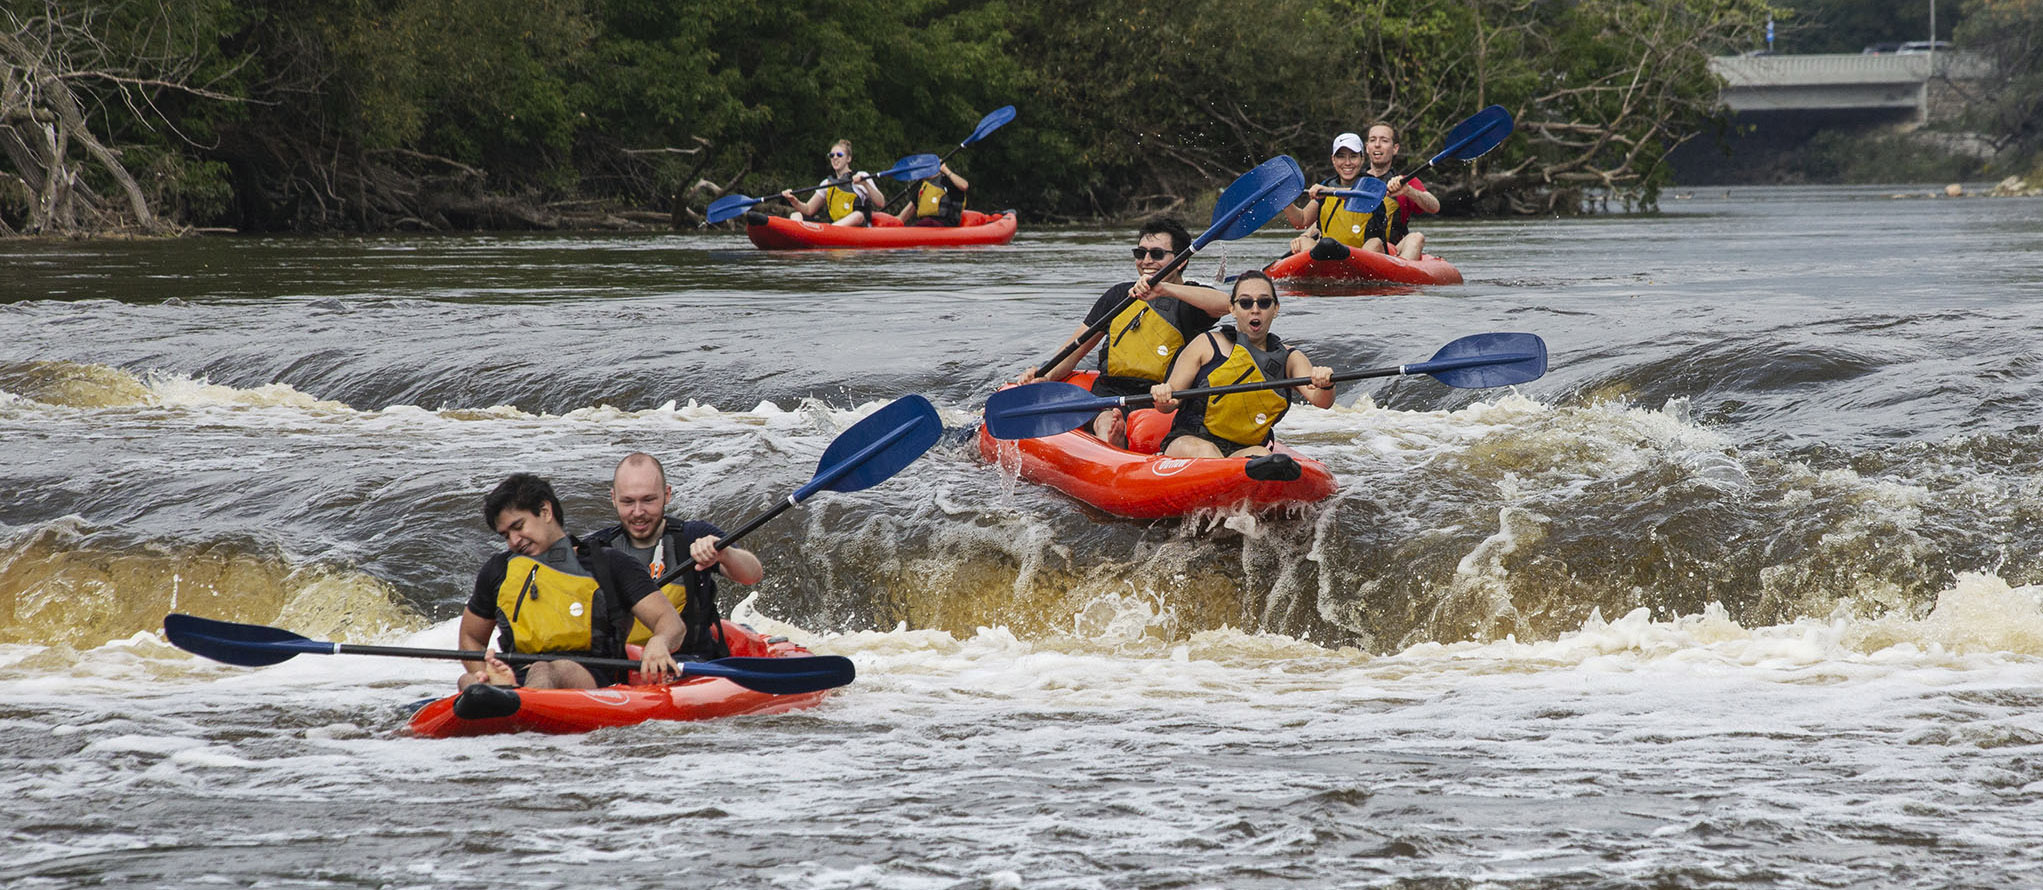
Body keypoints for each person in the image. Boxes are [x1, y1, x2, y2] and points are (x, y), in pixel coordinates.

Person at [456, 473, 686, 690]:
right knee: (468, 681)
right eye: (505, 535)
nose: (514, 540)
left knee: (546, 670)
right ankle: (507, 692)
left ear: (545, 511)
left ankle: (516, 701)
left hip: (591, 677)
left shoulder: (609, 564)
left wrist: (660, 642)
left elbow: (670, 622)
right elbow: (471, 636)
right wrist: (483, 672)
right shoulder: (498, 570)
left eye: (518, 526)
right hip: (519, 673)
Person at [1018, 218, 1231, 449]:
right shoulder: (1119, 295)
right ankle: (1111, 440)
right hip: (1111, 391)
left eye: (1157, 254)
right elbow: (1074, 350)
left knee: (1144, 424)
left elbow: (1227, 304)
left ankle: (1121, 441)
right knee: (1106, 419)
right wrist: (1044, 376)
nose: (1146, 260)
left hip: (1160, 397)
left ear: (1180, 262)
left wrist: (1163, 289)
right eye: (1140, 253)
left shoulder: (1190, 300)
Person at [1148, 271, 1335, 473]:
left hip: (1244, 448)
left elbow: (1322, 401)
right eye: (1245, 303)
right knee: (1208, 451)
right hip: (1190, 441)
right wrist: (1163, 397)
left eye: (1264, 303)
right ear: (1233, 309)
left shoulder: (1291, 358)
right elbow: (1169, 404)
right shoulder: (1207, 344)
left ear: (1276, 309)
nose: (1255, 310)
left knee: (1263, 456)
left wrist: (1326, 384)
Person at [583, 452, 763, 661]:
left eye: (648, 500)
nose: (638, 512)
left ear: (667, 494)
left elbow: (752, 575)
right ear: (613, 498)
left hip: (692, 666)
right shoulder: (595, 548)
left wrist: (724, 553)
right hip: (622, 668)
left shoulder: (692, 536)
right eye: (628, 502)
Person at [1281, 132, 1381, 256]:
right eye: (1341, 156)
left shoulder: (1373, 184)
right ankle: (1317, 272)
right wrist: (1283, 200)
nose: (1347, 162)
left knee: (1375, 242)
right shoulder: (1327, 185)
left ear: (1362, 159)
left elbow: (1359, 194)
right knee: (1305, 241)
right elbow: (1302, 221)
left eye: (1353, 156)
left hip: (1364, 254)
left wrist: (1330, 191)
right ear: (1333, 160)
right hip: (1329, 251)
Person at [1356, 122, 1441, 260]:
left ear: (1395, 148)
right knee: (1373, 244)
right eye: (1372, 140)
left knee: (1416, 237)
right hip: (1355, 249)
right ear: (1367, 148)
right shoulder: (1353, 181)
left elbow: (1434, 206)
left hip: (1392, 251)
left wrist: (1409, 191)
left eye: (1384, 140)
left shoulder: (1405, 182)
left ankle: (1398, 278)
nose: (1377, 145)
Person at [781, 139, 886, 227]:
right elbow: (808, 210)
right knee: (796, 215)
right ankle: (803, 236)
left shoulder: (861, 176)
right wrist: (793, 201)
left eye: (839, 155)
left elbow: (881, 203)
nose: (835, 157)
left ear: (848, 158)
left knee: (858, 215)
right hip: (835, 227)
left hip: (858, 226)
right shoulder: (826, 183)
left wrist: (865, 184)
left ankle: (830, 230)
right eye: (832, 155)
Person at [896, 162, 969, 227]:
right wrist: (893, 222)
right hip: (927, 225)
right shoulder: (923, 187)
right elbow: (906, 213)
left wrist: (945, 169)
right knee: (924, 223)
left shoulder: (947, 181)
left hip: (946, 225)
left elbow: (964, 186)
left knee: (926, 223)